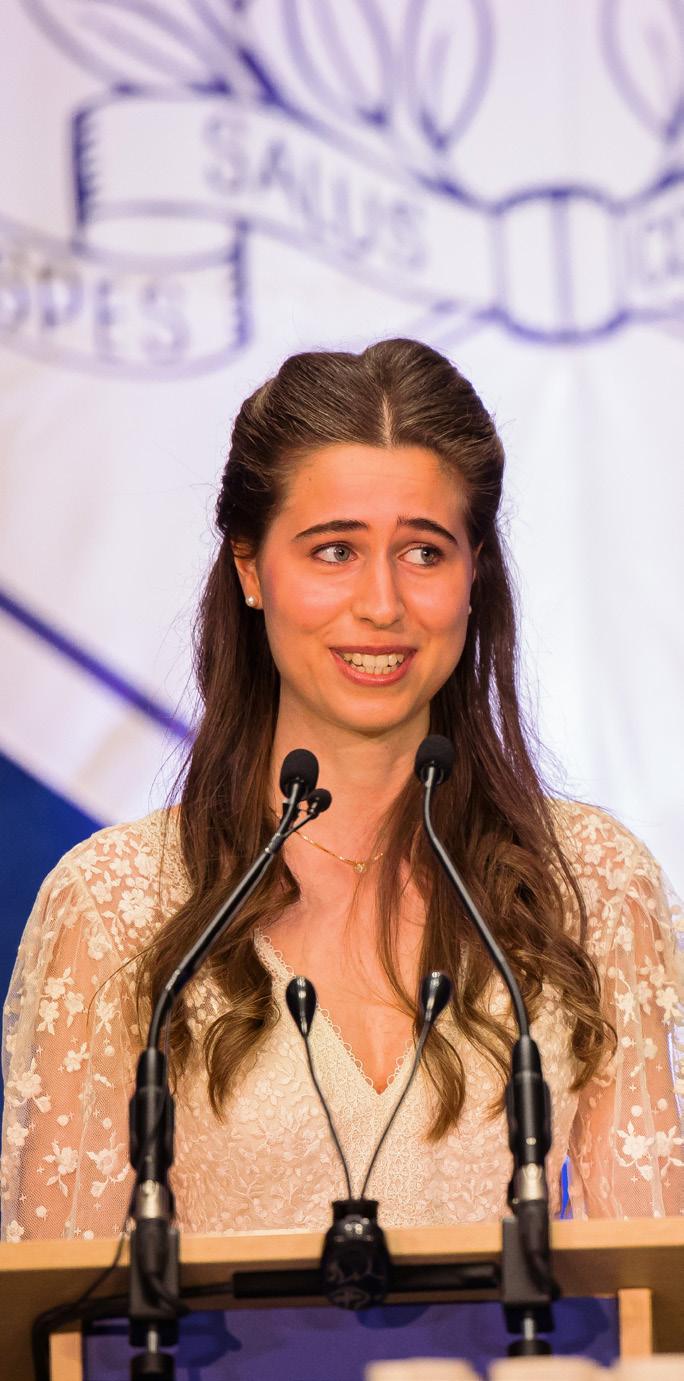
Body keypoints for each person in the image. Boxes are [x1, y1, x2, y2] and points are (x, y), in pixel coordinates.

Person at [1, 339, 682, 1243]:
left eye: (425, 551)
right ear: (250, 567)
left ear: (474, 572)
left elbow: (649, 1282)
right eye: (335, 550)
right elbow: (64, 1301)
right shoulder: (117, 906)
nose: (383, 603)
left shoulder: (589, 883)